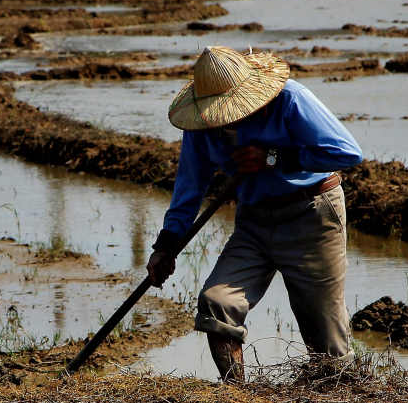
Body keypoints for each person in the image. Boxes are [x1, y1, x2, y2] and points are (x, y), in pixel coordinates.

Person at [146, 45, 363, 381]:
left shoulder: (290, 99)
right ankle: (238, 399)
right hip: (254, 221)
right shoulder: (201, 124)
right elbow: (189, 187)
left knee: (327, 342)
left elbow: (347, 152)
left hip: (311, 215)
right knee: (216, 301)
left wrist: (275, 157)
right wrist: (167, 244)